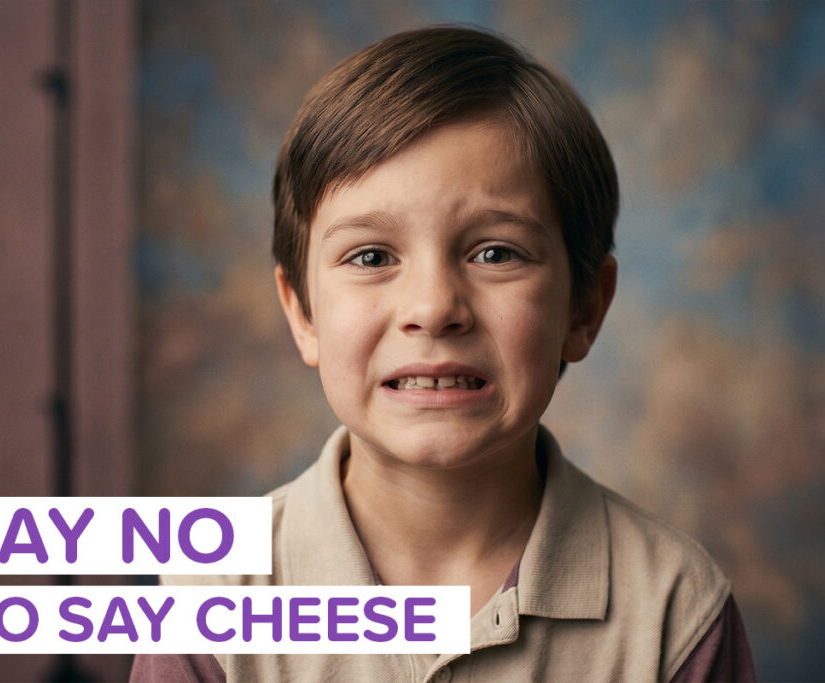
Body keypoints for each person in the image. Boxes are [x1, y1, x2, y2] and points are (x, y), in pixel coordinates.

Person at [131, 25, 755, 682]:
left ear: (585, 308)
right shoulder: (210, 605)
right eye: (371, 257)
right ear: (301, 311)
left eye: (495, 253)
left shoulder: (675, 611)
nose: (432, 307)